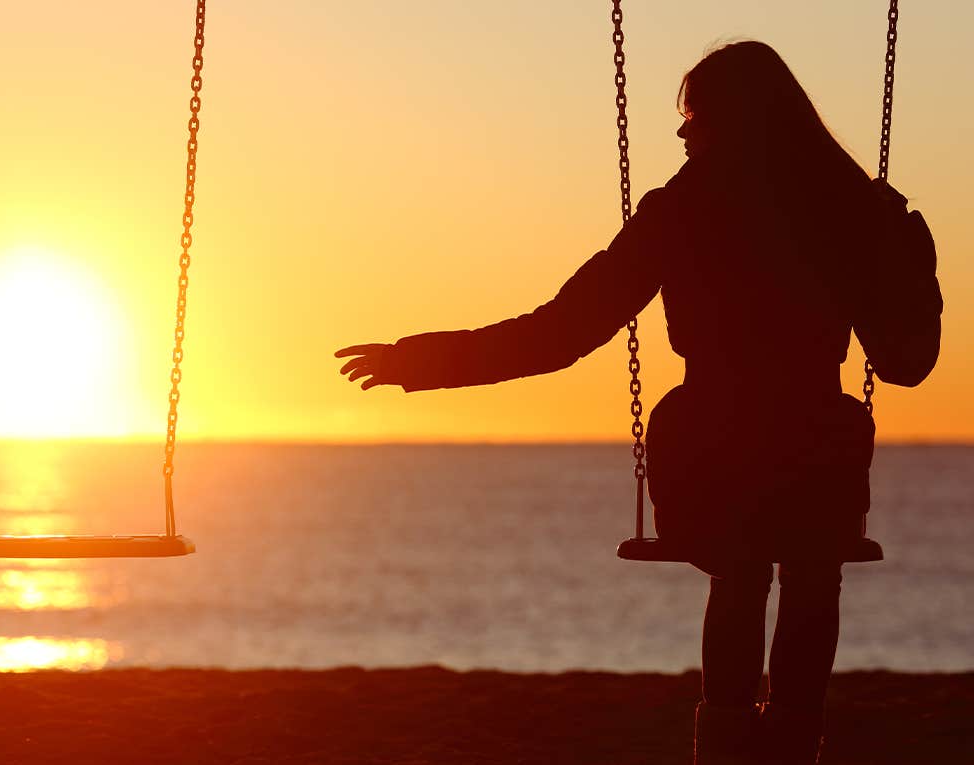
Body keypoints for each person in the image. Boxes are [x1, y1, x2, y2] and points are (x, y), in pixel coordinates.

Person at [335, 40, 941, 765]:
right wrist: (911, 257)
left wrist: (422, 362)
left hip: (715, 451)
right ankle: (791, 742)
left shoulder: (681, 210)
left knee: (743, 565)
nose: (682, 133)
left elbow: (557, 334)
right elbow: (907, 364)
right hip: (816, 452)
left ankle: (725, 749)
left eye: (694, 116)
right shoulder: (845, 208)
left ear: (731, 121)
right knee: (811, 567)